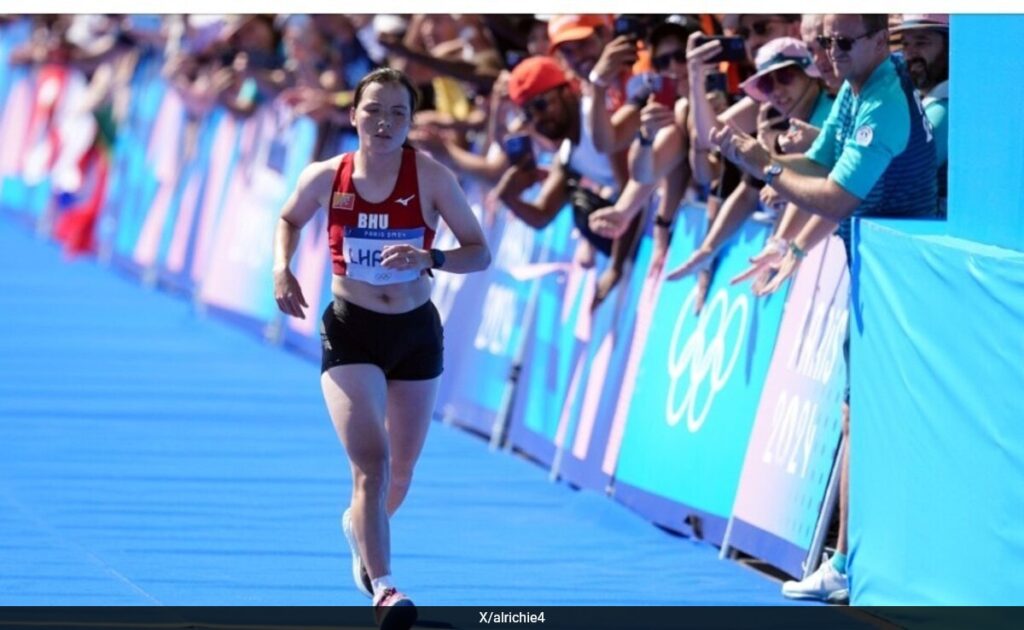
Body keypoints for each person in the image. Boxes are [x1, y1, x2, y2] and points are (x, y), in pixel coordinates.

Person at [713, 14, 937, 603]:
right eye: (824, 43)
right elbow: (821, 162)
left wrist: (764, 166)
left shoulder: (885, 99)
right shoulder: (857, 88)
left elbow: (836, 195)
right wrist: (771, 161)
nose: (829, 54)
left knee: (875, 418)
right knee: (852, 415)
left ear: (877, 41)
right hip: (877, 272)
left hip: (908, 284)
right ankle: (844, 562)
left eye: (841, 42)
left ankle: (881, 563)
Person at [272, 67, 490, 628]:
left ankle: (358, 527)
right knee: (372, 460)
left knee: (402, 471)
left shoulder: (432, 178)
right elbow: (289, 218)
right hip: (351, 330)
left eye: (398, 113)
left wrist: (430, 258)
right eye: (374, 110)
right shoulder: (327, 176)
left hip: (415, 331)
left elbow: (478, 252)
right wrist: (282, 267)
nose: (385, 122)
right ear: (354, 115)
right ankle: (387, 588)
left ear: (410, 122)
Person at [893, 14, 949, 215]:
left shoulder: (945, 111)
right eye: (906, 44)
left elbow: (898, 175)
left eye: (921, 42)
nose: (909, 54)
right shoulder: (929, 103)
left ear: (952, 46)